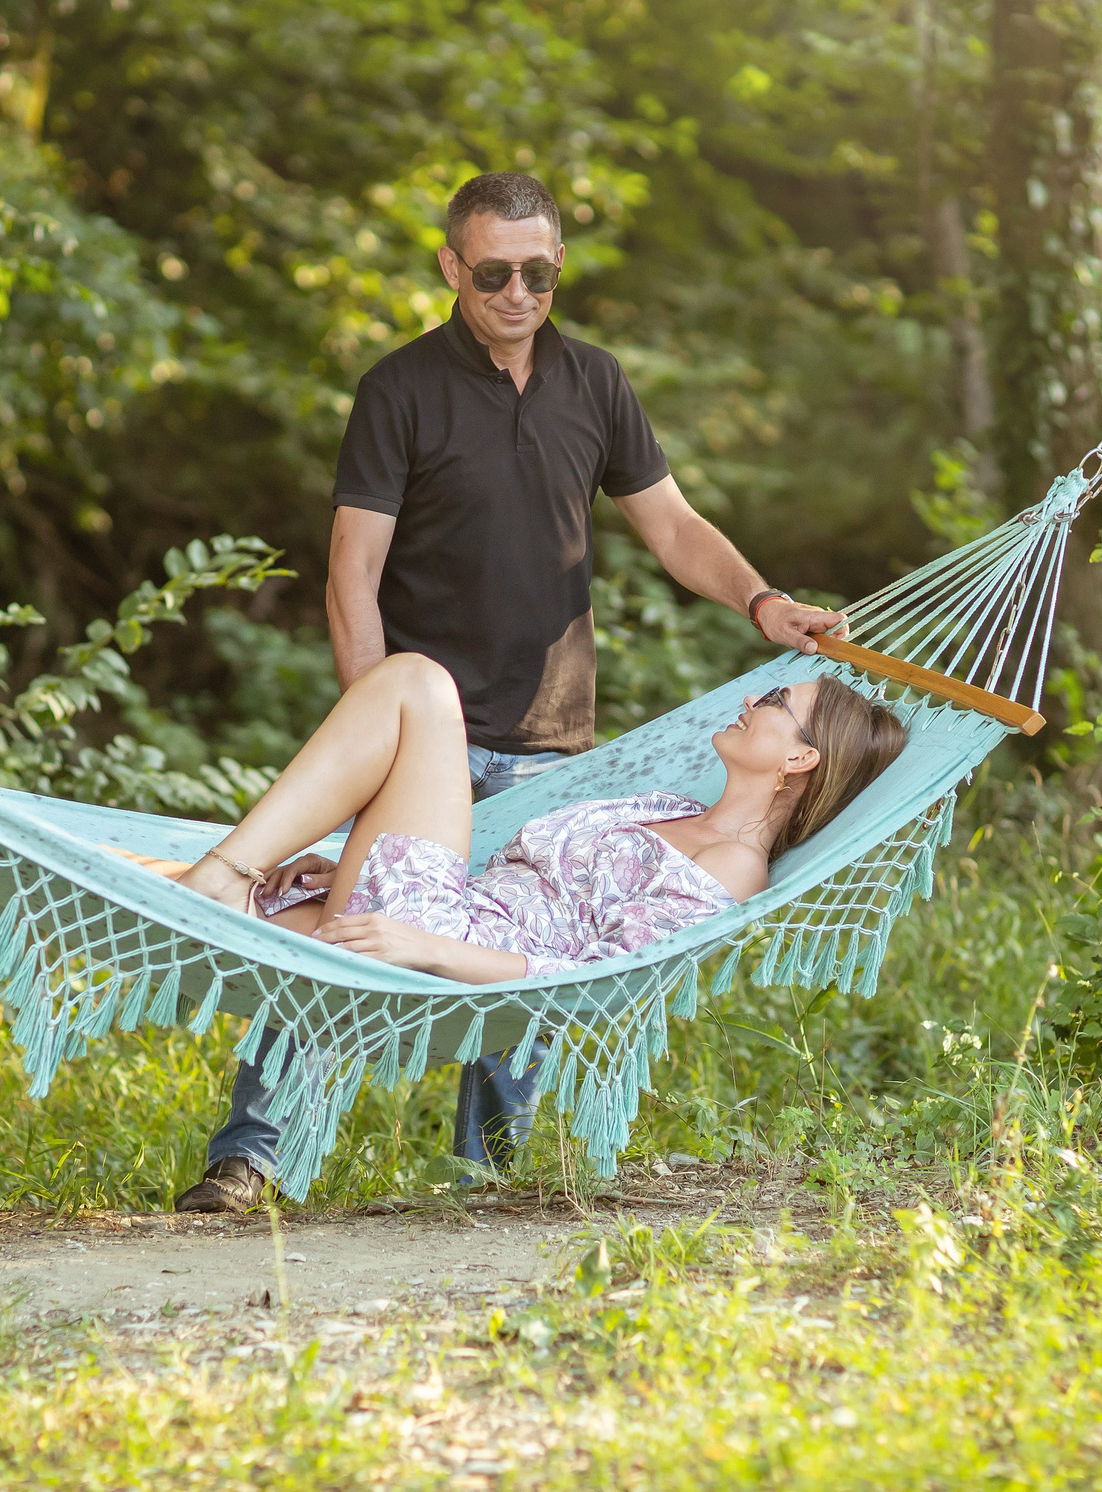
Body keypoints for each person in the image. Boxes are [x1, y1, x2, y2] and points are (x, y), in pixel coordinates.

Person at [171, 169, 846, 1213]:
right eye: (494, 272)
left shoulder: (596, 383)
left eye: (539, 271)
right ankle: (250, 1153)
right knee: (353, 925)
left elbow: (670, 528)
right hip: (425, 739)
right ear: (451, 266)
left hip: (549, 742)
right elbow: (351, 572)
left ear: (558, 266)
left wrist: (762, 602)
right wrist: (373, 744)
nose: (518, 292)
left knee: (529, 940)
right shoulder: (399, 390)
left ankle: (486, 1178)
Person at [164, 661, 906, 983]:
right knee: (149, 893)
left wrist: (426, 946)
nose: (752, 701)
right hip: (442, 908)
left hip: (442, 943)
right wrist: (357, 860)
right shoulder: (671, 810)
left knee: (418, 684)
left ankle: (228, 876)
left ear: (803, 758)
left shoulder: (732, 868)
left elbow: (603, 977)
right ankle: (225, 880)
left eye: (775, 700)